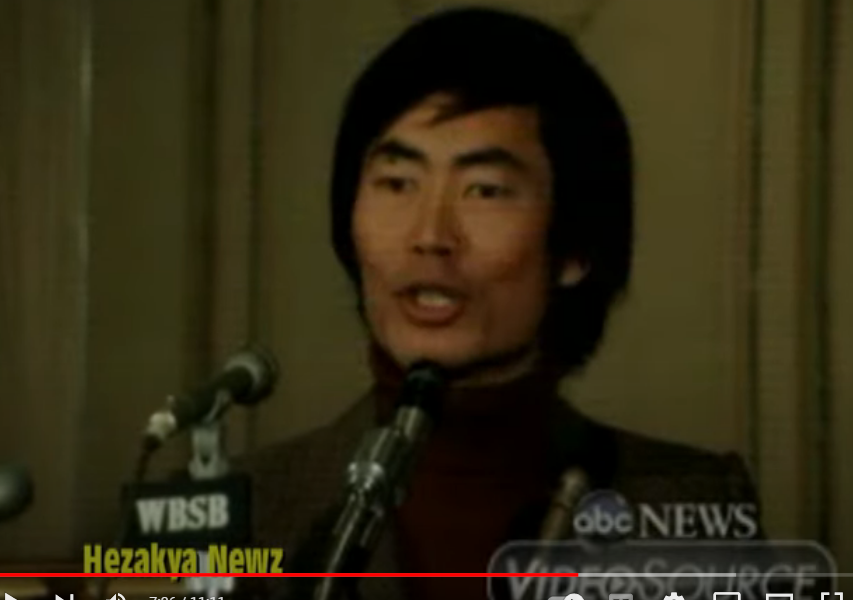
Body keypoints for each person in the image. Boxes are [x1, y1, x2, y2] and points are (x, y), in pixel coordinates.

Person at [240, 7, 760, 600]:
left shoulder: (695, 507)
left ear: (575, 247)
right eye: (397, 183)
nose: (430, 235)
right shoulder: (245, 509)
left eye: (484, 191)